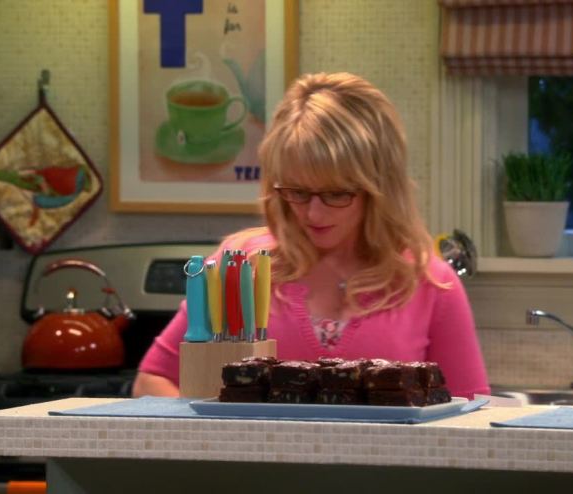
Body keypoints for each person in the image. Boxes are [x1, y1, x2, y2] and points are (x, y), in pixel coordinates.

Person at [133, 72, 490, 399]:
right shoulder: (240, 269)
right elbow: (152, 380)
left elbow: (473, 415)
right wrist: (219, 431)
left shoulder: (431, 285)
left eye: (336, 194)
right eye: (298, 192)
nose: (313, 214)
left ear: (380, 188)